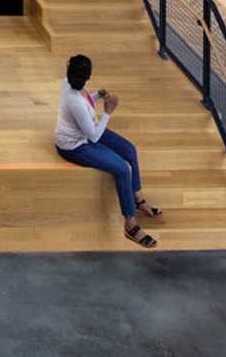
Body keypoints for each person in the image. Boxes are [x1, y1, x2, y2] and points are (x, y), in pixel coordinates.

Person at [54, 54, 162, 249]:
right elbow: (94, 136)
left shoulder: (69, 83)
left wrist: (96, 96)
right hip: (75, 145)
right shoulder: (75, 102)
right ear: (87, 75)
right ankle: (130, 225)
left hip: (86, 131)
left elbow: (85, 107)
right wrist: (108, 111)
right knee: (122, 169)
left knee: (129, 150)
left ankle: (137, 198)